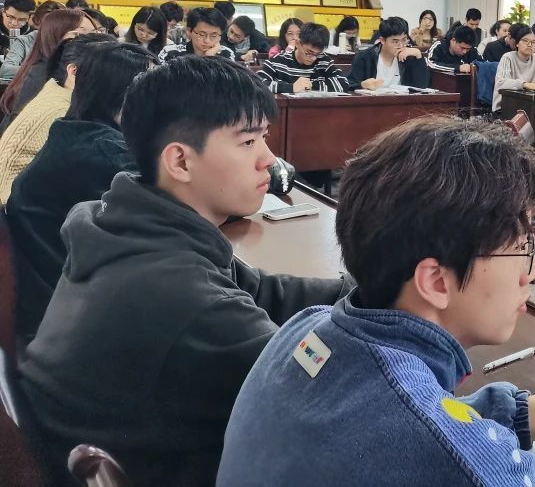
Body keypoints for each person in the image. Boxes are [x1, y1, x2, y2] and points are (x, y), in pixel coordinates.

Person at [217, 117, 535, 487]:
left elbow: (437, 416)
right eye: (523, 247)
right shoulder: (464, 462)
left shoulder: (307, 331)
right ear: (436, 281)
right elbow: (438, 435)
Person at [20, 57, 351, 486]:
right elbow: (317, 388)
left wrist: (367, 289)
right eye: (248, 141)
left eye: (265, 138)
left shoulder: (135, 226)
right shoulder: (186, 295)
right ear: (179, 161)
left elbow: (260, 290)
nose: (268, 159)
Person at [7, 41, 156, 340]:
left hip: (45, 294)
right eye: (155, 92)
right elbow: (178, 208)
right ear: (122, 96)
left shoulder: (74, 128)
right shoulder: (104, 153)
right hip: (62, 318)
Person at [0, 35, 113, 203]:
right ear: (73, 71)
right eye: (108, 72)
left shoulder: (56, 90)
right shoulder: (62, 111)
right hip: (12, 204)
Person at [0, 8, 97, 129]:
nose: (93, 41)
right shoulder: (44, 75)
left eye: (95, 33)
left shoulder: (75, 70)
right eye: (79, 34)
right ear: (55, 36)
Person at [256, 23, 349, 94]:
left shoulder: (324, 60)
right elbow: (257, 85)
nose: (313, 58)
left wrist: (310, 85)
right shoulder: (278, 62)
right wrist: (291, 87)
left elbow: (343, 83)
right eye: (309, 52)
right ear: (298, 43)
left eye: (317, 54)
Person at [492, 24, 535, 113]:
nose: (530, 45)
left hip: (528, 105)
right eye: (525, 41)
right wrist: (525, 84)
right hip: (505, 107)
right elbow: (501, 82)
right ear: (517, 43)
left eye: (533, 42)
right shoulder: (508, 57)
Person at [350, 16, 430, 90]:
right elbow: (350, 84)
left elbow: (422, 86)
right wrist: (363, 85)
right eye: (395, 41)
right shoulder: (364, 57)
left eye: (404, 40)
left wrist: (418, 55)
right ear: (382, 40)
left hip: (401, 99)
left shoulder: (408, 57)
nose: (401, 45)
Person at [0, 0, 61, 81]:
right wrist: (38, 70)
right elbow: (5, 70)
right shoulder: (25, 41)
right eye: (47, 23)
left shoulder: (69, 42)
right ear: (37, 22)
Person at [158, 7, 236, 62]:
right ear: (189, 31)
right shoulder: (170, 53)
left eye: (214, 36)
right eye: (202, 34)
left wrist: (210, 58)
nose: (207, 40)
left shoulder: (226, 54)